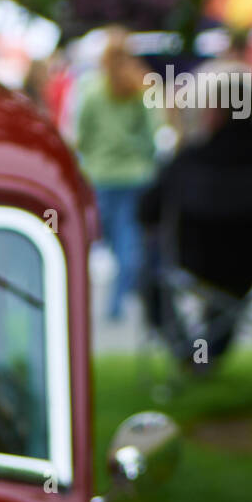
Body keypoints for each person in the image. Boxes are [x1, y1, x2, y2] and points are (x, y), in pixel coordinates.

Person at [138, 70, 252, 362]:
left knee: (150, 271)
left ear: (214, 110)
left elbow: (147, 212)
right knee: (228, 290)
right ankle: (205, 353)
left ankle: (193, 354)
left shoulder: (190, 160)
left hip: (198, 260)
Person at [75, 28, 160, 319]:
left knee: (107, 239)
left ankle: (108, 301)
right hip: (135, 175)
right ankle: (119, 298)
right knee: (128, 239)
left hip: (102, 176)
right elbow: (153, 135)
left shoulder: (92, 90)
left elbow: (82, 135)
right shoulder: (141, 89)